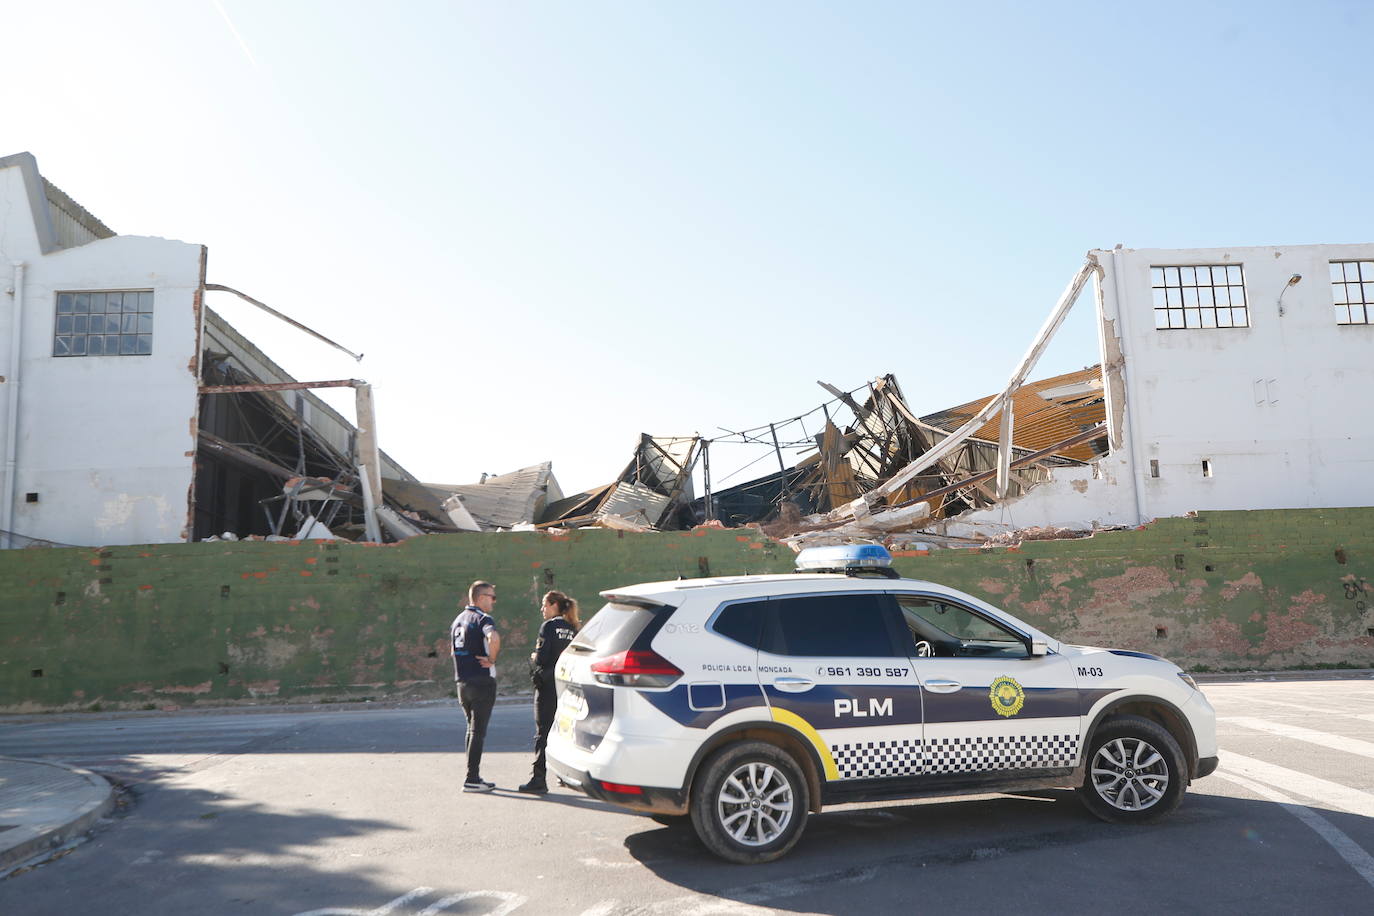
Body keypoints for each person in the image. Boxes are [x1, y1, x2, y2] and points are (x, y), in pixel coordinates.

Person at [518, 590, 580, 794]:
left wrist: (535, 656)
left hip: (548, 685)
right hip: (568, 686)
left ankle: (538, 778)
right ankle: (565, 775)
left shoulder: (549, 626)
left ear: (554, 605)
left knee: (543, 731)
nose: (542, 609)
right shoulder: (573, 627)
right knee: (564, 730)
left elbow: (543, 658)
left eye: (544, 605)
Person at [452, 580, 501, 792]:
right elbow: (494, 636)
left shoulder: (458, 620)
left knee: (471, 729)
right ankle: (472, 779)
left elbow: (452, 651)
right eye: (492, 597)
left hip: (462, 682)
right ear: (480, 598)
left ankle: (471, 775)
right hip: (482, 680)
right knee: (478, 731)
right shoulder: (483, 618)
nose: (494, 601)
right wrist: (492, 658)